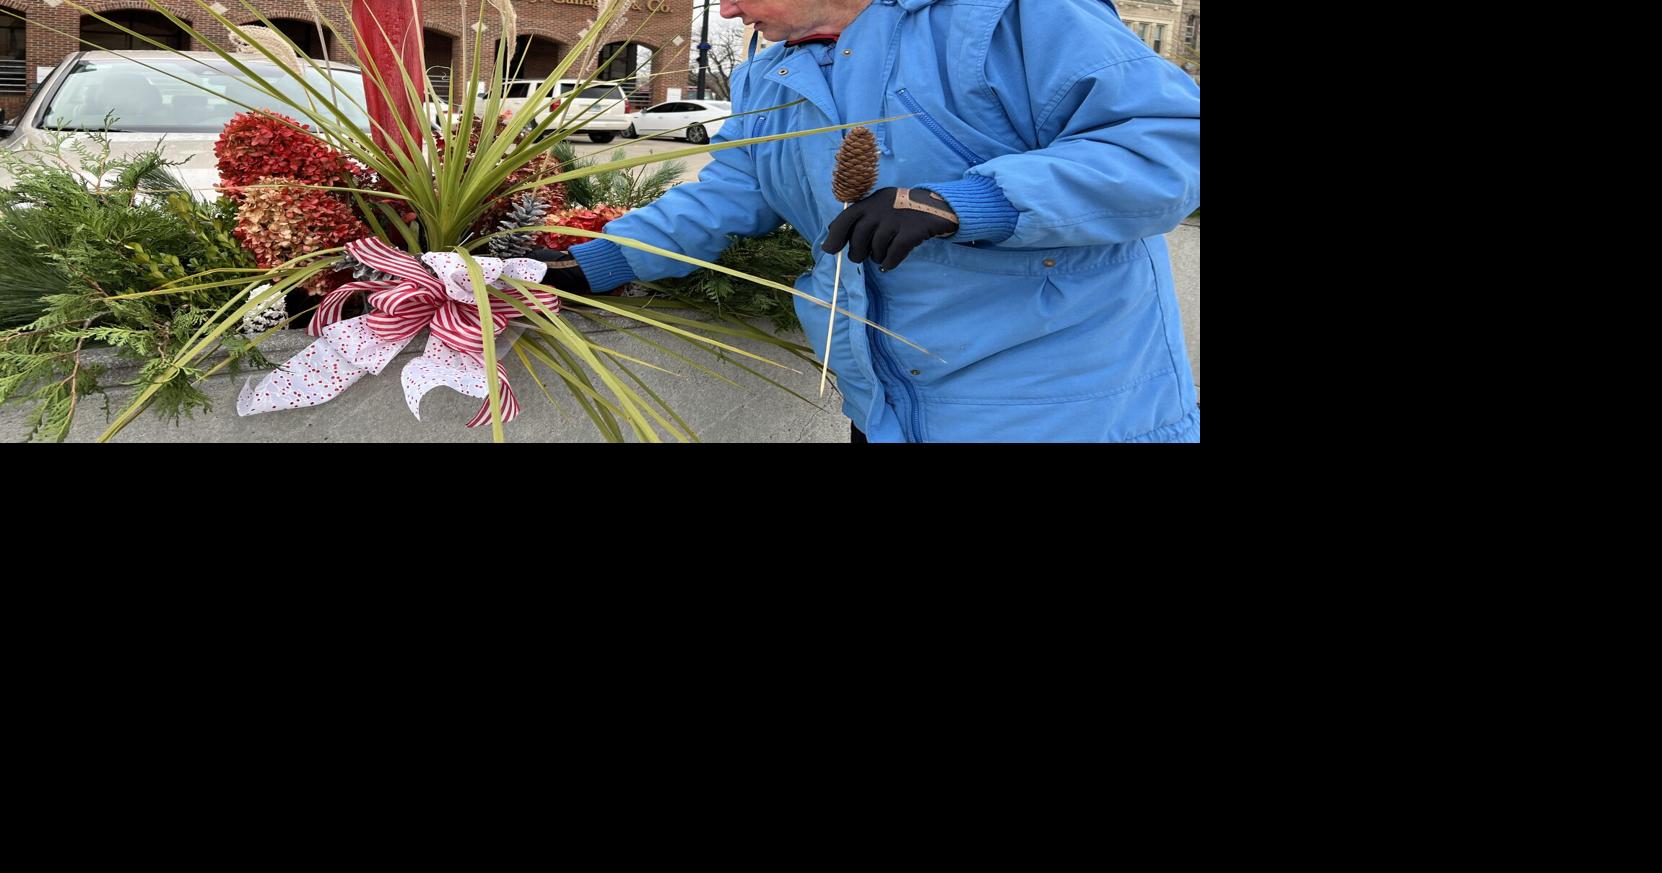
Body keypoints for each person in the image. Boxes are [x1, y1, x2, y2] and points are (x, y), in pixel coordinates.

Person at [533, 0, 1200, 442]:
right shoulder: (769, 78)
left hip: (1063, 414)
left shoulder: (1011, 16)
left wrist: (964, 203)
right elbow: (729, 194)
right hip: (886, 412)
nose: (728, 8)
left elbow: (1164, 145)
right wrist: (589, 262)